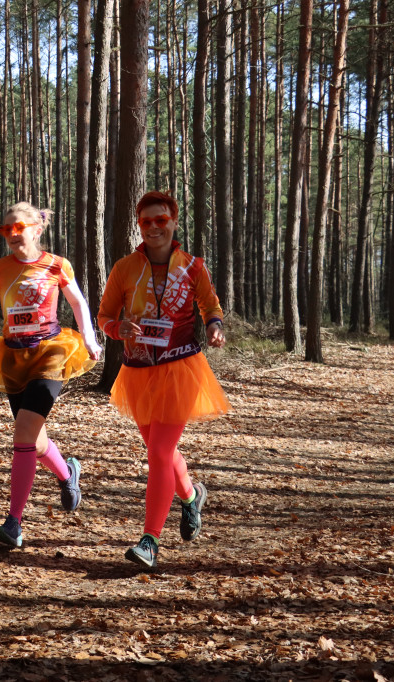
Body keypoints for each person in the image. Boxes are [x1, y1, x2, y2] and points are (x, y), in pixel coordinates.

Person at [97, 190, 229, 569]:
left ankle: (150, 541)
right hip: (138, 373)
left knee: (157, 452)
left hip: (180, 368)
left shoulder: (192, 267)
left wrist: (215, 326)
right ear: (139, 226)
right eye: (146, 222)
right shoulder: (124, 268)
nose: (153, 227)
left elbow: (210, 306)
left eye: (161, 220)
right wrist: (117, 328)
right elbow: (105, 316)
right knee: (163, 452)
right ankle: (190, 495)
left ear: (173, 222)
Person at [0, 201, 103, 548]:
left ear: (36, 228)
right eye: (6, 230)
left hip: (50, 352)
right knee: (34, 437)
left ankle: (13, 523)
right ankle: (68, 473)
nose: (13, 235)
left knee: (23, 433)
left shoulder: (56, 265)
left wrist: (91, 340)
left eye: (19, 227)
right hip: (12, 357)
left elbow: (78, 303)